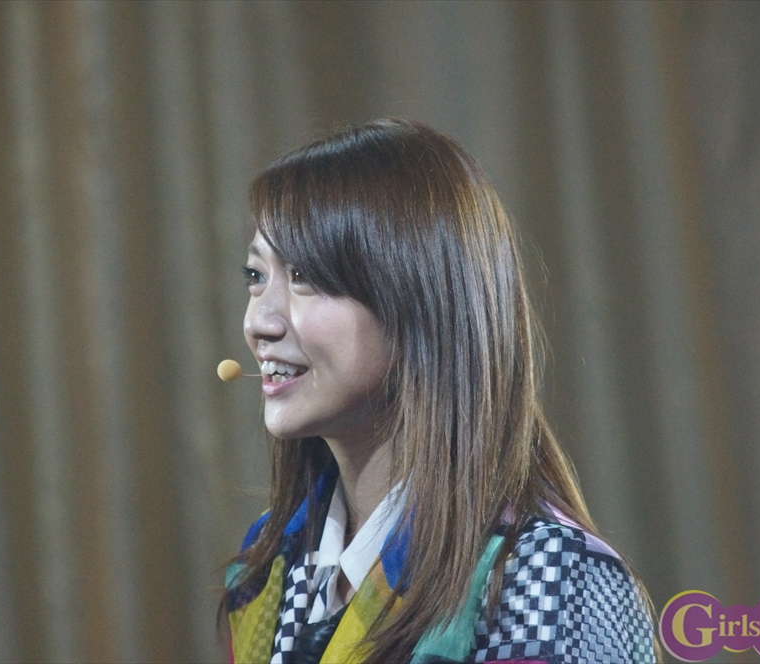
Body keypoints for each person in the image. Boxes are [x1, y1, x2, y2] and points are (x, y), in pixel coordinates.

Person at [221, 119, 658, 663]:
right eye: (256, 276)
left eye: (303, 275)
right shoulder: (269, 565)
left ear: (418, 299)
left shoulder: (550, 577)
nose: (258, 322)